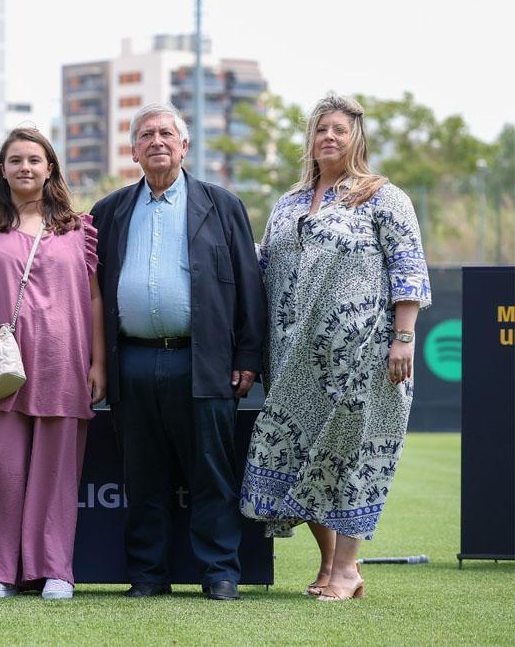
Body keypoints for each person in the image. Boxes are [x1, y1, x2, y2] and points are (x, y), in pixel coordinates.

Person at [239, 94, 431, 602]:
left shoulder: (382, 196)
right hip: (292, 361)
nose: (330, 137)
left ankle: (346, 569)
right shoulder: (287, 204)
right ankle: (331, 565)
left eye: (340, 130)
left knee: (353, 457)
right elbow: (261, 269)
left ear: (356, 138)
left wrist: (403, 338)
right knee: (298, 457)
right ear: (310, 139)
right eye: (322, 128)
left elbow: (408, 268)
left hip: (365, 358)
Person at [90, 103, 266, 601]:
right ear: (133, 151)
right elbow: (91, 290)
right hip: (133, 359)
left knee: (211, 472)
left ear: (185, 146)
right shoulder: (110, 210)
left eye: (167, 133)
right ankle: (148, 575)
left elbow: (249, 287)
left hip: (204, 360)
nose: (157, 141)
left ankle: (220, 573)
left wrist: (248, 357)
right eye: (146, 135)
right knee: (143, 476)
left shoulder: (222, 205)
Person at [0, 128, 104, 601]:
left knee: (56, 478)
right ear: (2, 169)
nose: (25, 167)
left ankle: (52, 570)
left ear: (50, 168)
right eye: (15, 160)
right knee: (3, 472)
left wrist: (98, 363)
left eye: (34, 160)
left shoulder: (79, 228)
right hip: (2, 370)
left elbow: (95, 298)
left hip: (65, 367)